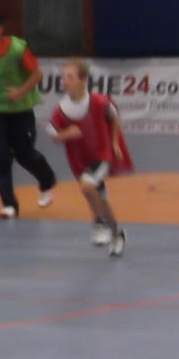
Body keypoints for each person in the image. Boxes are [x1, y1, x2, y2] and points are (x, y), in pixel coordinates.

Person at [0, 11, 58, 220]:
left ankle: (47, 180)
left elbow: (36, 74)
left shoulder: (17, 49)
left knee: (25, 155)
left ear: (0, 29)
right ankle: (9, 204)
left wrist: (20, 92)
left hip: (21, 111)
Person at [47, 57, 131, 259]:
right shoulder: (62, 109)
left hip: (101, 155)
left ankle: (99, 223)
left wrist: (114, 143)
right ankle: (116, 232)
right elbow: (53, 133)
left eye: (70, 77)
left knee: (87, 186)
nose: (65, 81)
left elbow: (113, 117)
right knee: (100, 199)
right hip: (79, 161)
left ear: (82, 79)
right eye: (63, 77)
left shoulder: (99, 102)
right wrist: (65, 134)